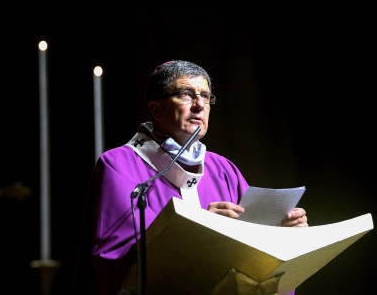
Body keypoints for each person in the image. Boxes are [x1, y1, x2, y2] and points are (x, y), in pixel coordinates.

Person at [71, 59, 308, 295]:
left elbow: (252, 245)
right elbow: (115, 260)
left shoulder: (223, 168)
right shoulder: (119, 164)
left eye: (205, 96)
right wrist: (196, 235)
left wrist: (280, 232)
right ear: (156, 109)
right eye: (186, 94)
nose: (199, 105)